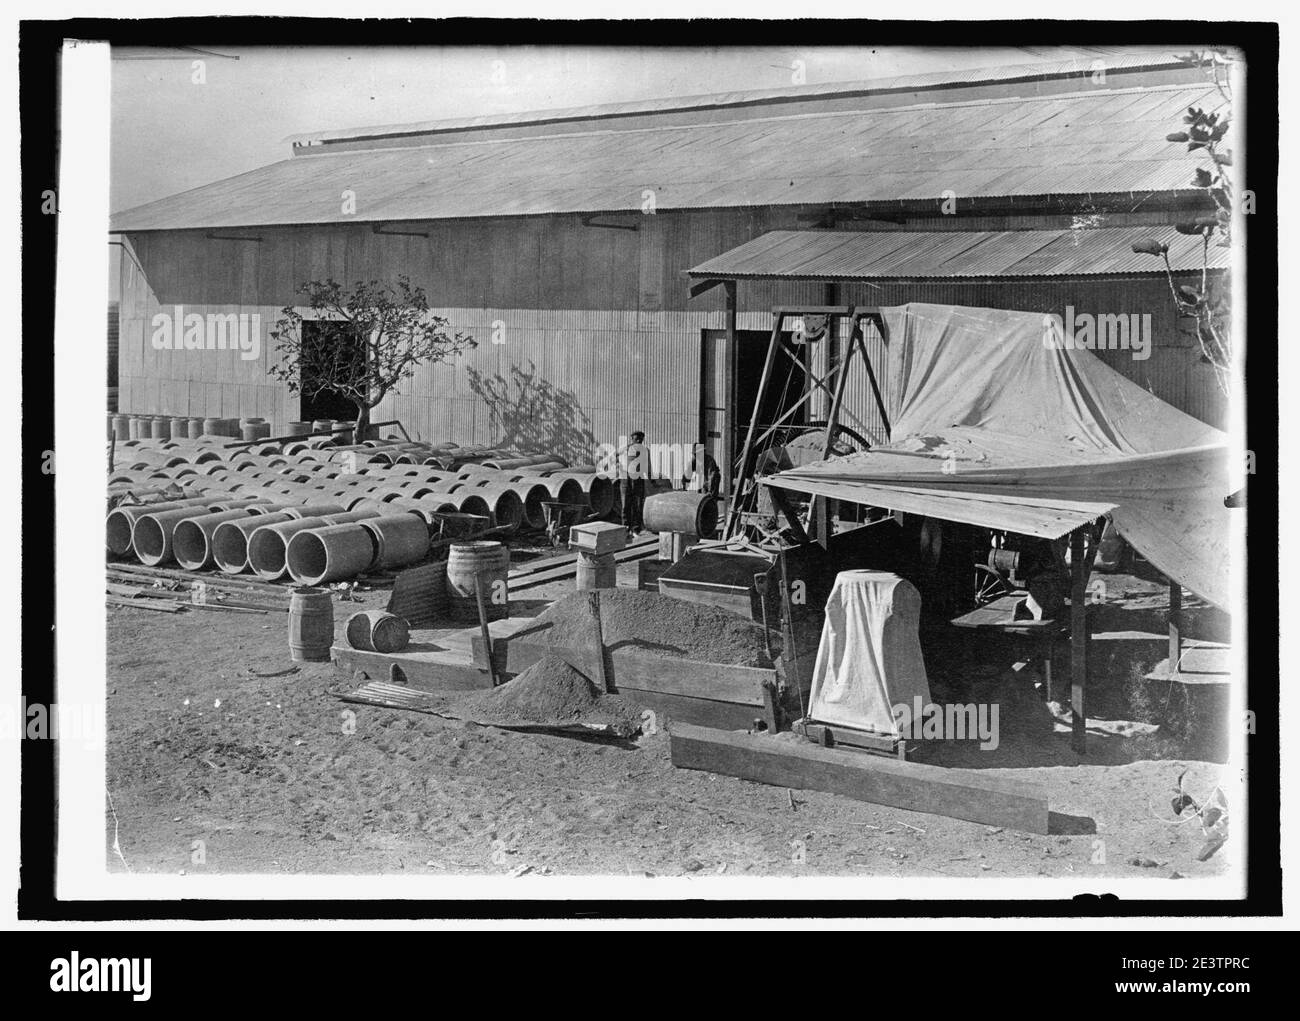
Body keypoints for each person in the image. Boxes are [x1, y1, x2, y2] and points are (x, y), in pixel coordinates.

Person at [618, 430, 648, 534]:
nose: (638, 441)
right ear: (632, 439)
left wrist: (652, 480)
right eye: (636, 439)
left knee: (638, 504)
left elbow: (648, 465)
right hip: (626, 478)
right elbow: (613, 456)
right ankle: (625, 528)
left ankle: (635, 529)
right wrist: (619, 467)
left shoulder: (645, 450)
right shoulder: (626, 448)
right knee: (625, 504)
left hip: (638, 478)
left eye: (640, 439)